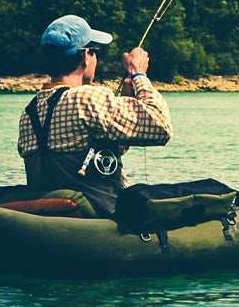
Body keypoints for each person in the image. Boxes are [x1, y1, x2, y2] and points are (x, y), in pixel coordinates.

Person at [16, 14, 172, 216]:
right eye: (94, 52)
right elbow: (160, 127)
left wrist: (127, 99)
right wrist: (138, 74)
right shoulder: (88, 98)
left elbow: (97, 152)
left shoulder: (29, 111)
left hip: (54, 218)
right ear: (84, 56)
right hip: (100, 217)